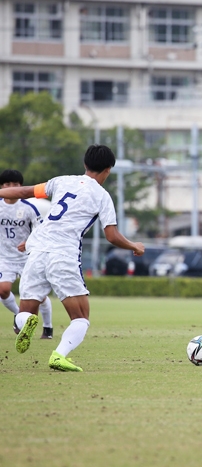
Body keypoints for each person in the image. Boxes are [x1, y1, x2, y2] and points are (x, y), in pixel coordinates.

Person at [5, 144, 145, 372]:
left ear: (85, 164)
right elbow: (111, 235)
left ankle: (25, 324)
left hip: (37, 248)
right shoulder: (102, 196)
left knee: (25, 312)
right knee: (81, 317)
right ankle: (59, 355)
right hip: (64, 253)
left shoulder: (61, 181)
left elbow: (23, 192)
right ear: (108, 170)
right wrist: (134, 245)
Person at [0, 170, 54, 339]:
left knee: (39, 296)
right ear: (2, 187)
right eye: (7, 185)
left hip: (26, 258)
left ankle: (48, 327)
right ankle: (19, 316)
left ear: (21, 187)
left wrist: (29, 242)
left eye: (15, 185)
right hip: (4, 257)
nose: (12, 188)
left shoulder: (29, 208)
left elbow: (41, 230)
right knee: (3, 290)